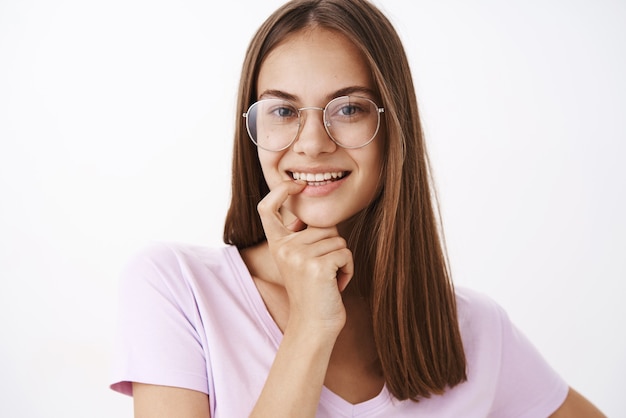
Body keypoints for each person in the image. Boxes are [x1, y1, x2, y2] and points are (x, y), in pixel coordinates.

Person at [110, 0, 606, 416]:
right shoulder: (177, 287)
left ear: (394, 126)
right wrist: (310, 327)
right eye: (283, 111)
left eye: (348, 109)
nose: (311, 144)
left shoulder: (472, 328)